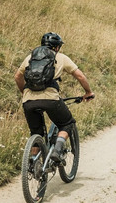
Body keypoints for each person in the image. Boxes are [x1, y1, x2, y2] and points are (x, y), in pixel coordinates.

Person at [15, 32, 94, 164]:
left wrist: (24, 93)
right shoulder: (60, 57)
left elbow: (17, 76)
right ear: (56, 47)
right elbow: (80, 76)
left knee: (36, 132)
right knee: (67, 123)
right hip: (50, 99)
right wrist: (88, 92)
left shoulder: (30, 57)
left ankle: (34, 163)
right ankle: (57, 151)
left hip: (28, 100)